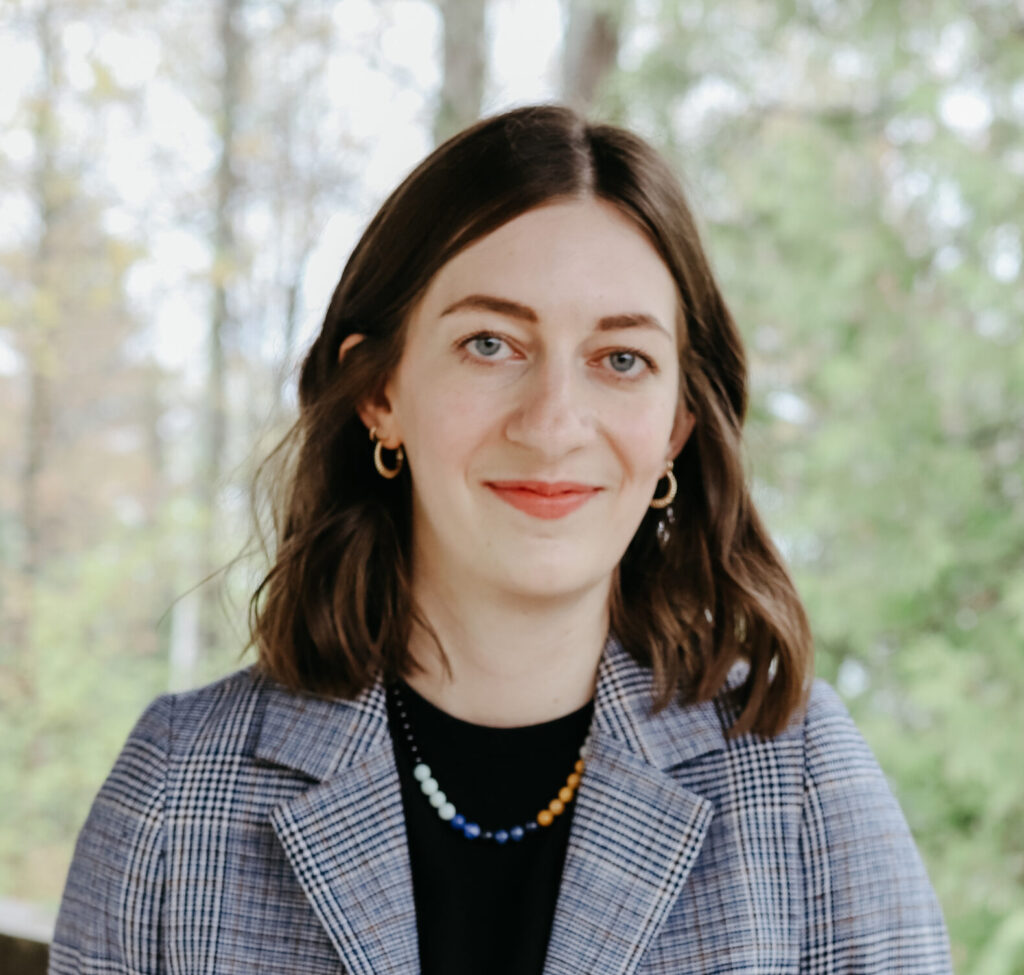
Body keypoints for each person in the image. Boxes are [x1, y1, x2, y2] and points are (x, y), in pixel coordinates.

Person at [50, 104, 952, 975]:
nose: (554, 422)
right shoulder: (178, 789)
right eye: (491, 344)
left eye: (621, 359)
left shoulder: (799, 785)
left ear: (676, 427)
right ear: (380, 392)